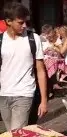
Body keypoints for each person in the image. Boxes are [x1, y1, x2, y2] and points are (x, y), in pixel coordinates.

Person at [0, 2, 47, 130]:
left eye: (25, 22)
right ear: (8, 21)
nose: (24, 25)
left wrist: (44, 100)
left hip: (24, 94)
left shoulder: (34, 39)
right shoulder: (1, 40)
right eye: (20, 23)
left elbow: (41, 70)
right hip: (3, 94)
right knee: (10, 134)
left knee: (16, 134)